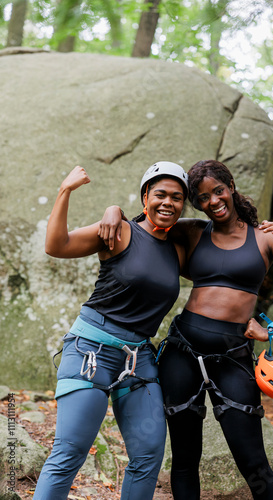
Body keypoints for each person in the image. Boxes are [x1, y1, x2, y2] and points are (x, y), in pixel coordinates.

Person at [100, 160, 273, 500]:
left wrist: (271, 329)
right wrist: (113, 210)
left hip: (233, 357)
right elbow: (145, 223)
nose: (213, 202)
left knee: (253, 461)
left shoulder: (266, 238)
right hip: (182, 352)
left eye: (217, 191)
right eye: (202, 198)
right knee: (184, 459)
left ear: (231, 187)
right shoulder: (192, 230)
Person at [33, 161, 189, 500]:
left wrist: (265, 231)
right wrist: (66, 191)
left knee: (148, 455)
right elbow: (56, 246)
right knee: (69, 453)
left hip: (139, 362)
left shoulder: (179, 248)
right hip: (90, 351)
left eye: (177, 197)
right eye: (160, 194)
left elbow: (228, 254)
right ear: (145, 196)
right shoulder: (118, 232)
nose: (168, 203)